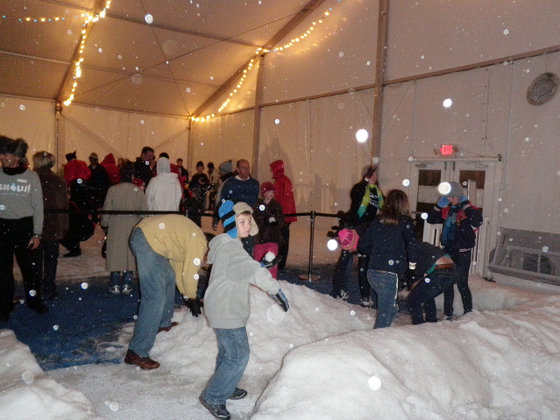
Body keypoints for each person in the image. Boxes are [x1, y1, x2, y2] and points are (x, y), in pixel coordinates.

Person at [200, 200, 289, 420]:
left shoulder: (228, 245)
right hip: (226, 310)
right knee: (239, 355)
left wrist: (260, 266)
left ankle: (225, 386)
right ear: (232, 224)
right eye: (242, 222)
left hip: (222, 306)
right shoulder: (232, 249)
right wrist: (276, 292)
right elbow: (252, 271)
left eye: (249, 221)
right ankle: (214, 396)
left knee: (227, 353)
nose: (247, 226)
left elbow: (243, 269)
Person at [124, 214, 207, 369]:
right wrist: (192, 297)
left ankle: (162, 324)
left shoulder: (190, 241)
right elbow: (191, 273)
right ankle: (137, 351)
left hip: (147, 236)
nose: (205, 263)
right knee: (154, 297)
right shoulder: (199, 243)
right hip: (147, 240)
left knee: (169, 276)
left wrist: (187, 295)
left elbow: (180, 271)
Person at [0, 137, 48, 320]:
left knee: (30, 269)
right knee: (3, 270)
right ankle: (4, 305)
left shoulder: (31, 177)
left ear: (17, 156)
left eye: (6, 154)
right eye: (1, 154)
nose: (2, 157)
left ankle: (34, 300)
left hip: (24, 227)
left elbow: (38, 207)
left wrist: (37, 233)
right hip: (2, 226)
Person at [358, 189, 418, 329]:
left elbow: (363, 245)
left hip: (372, 272)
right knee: (385, 314)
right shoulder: (405, 222)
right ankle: (377, 339)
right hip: (389, 273)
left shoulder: (377, 221)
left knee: (391, 308)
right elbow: (412, 246)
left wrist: (377, 253)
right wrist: (412, 268)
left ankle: (383, 335)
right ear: (404, 204)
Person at [427, 181, 482, 319]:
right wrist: (438, 206)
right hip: (449, 250)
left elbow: (477, 220)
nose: (449, 199)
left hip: (463, 251)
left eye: (452, 196)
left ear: (458, 196)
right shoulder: (447, 210)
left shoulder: (468, 210)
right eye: (447, 197)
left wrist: (465, 205)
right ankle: (448, 313)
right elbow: (431, 219)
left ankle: (468, 312)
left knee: (462, 283)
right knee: (448, 282)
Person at [331, 165, 384, 306]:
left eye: (375, 175)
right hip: (353, 228)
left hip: (366, 230)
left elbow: (383, 206)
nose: (374, 177)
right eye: (371, 175)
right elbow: (356, 199)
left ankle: (365, 296)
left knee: (364, 264)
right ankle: (340, 290)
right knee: (346, 262)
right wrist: (366, 184)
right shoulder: (359, 188)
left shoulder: (377, 191)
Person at [101, 162, 147, 294]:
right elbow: (144, 212)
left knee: (116, 254)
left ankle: (115, 282)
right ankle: (127, 282)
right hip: (133, 225)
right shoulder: (138, 191)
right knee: (129, 255)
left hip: (116, 225)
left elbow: (106, 210)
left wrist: (105, 223)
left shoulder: (113, 190)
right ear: (132, 175)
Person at [32, 151, 69, 300]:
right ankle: (49, 288)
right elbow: (64, 205)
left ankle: (35, 288)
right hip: (53, 225)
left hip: (35, 225)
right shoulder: (59, 181)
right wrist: (63, 226)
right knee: (51, 259)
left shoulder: (32, 179)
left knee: (34, 260)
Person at [401, 241, 457, 325]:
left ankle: (419, 325)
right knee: (427, 295)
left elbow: (414, 269)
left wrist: (415, 280)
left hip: (439, 270)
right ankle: (431, 321)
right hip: (452, 270)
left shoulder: (410, 248)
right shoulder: (424, 247)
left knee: (412, 300)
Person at [60, 151, 92, 257]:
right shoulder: (82, 163)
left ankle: (75, 247)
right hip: (84, 196)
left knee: (73, 223)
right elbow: (88, 174)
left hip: (74, 198)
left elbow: (66, 179)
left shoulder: (68, 166)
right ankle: (76, 244)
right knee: (80, 220)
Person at [253, 182, 285, 279]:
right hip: (259, 238)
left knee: (271, 261)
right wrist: (264, 221)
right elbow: (254, 221)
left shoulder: (277, 206)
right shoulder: (257, 205)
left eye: (273, 192)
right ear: (264, 193)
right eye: (269, 191)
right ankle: (258, 281)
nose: (271, 194)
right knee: (258, 261)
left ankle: (272, 280)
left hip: (273, 238)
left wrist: (276, 221)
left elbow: (282, 222)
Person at [269, 159, 297, 271]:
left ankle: (279, 263)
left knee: (279, 240)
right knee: (284, 240)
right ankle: (281, 263)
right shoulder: (285, 180)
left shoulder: (279, 182)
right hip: (287, 215)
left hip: (281, 215)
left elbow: (278, 200)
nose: (271, 171)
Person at [87, 152, 112, 223]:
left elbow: (106, 180)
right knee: (94, 207)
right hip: (93, 191)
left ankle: (99, 220)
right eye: (91, 159)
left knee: (99, 207)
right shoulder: (89, 169)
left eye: (93, 159)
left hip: (99, 191)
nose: (92, 161)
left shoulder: (101, 169)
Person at [187, 161, 211, 226]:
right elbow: (190, 186)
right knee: (195, 209)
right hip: (195, 195)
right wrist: (192, 193)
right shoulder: (194, 176)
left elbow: (208, 185)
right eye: (199, 167)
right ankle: (196, 223)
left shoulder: (204, 176)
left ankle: (199, 222)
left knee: (202, 209)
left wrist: (205, 189)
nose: (200, 169)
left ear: (203, 168)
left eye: (201, 168)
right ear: (197, 168)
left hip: (203, 195)